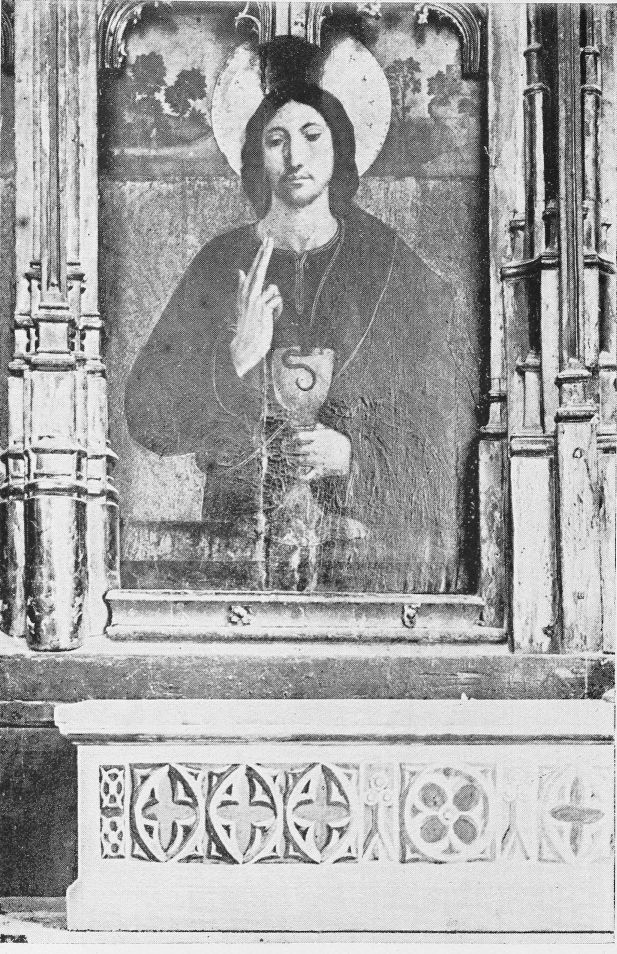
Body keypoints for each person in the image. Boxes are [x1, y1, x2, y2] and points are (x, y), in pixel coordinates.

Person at [125, 81, 459, 592]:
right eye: (276, 140)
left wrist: (352, 456)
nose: (295, 157)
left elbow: (445, 420)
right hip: (241, 545)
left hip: (362, 552)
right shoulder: (222, 262)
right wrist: (235, 359)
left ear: (339, 147)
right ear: (257, 156)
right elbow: (147, 414)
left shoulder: (387, 261)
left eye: (312, 136)